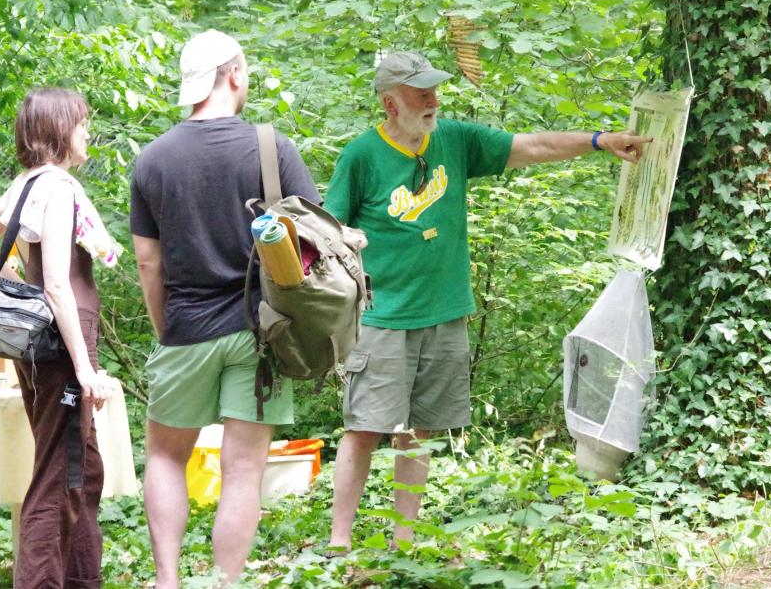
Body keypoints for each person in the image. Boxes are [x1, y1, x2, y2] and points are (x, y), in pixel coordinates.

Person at [324, 51, 650, 551]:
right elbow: (327, 235)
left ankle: (404, 542)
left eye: (434, 89)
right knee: (364, 429)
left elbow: (535, 145)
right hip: (382, 317)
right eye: (420, 93)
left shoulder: (455, 140)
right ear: (390, 102)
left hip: (445, 313)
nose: (432, 100)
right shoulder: (362, 156)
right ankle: (338, 543)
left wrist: (599, 141)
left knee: (422, 432)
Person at [130, 29, 321, 586]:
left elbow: (149, 263)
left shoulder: (153, 159)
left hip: (186, 328)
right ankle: (223, 582)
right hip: (262, 331)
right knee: (243, 470)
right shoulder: (272, 147)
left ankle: (167, 580)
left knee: (166, 457)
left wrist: (167, 327)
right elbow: (315, 242)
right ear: (234, 74)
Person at [0, 87, 120, 588]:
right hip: (61, 346)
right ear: (58, 130)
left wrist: (12, 289)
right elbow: (54, 281)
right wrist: (85, 367)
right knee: (58, 475)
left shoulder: (27, 184)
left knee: (83, 471)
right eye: (81, 123)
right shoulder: (57, 188)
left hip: (40, 347)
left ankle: (79, 580)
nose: (87, 132)